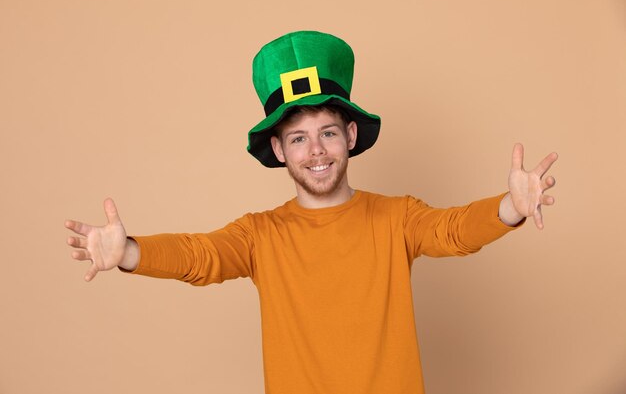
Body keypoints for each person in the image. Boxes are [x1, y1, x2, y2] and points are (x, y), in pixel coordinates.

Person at [65, 31, 558, 394]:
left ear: (349, 137)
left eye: (326, 131)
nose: (315, 150)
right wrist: (130, 252)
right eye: (298, 138)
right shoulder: (260, 235)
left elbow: (453, 231)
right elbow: (199, 256)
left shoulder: (396, 218)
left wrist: (510, 206)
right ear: (279, 150)